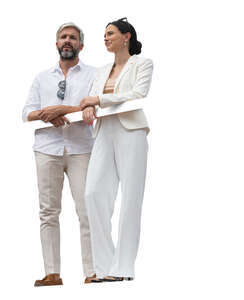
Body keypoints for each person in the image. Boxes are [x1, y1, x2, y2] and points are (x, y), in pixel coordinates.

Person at [22, 22, 97, 286]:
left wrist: (59, 109)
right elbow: (27, 113)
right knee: (48, 212)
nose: (68, 41)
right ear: (56, 44)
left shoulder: (94, 75)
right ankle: (52, 274)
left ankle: (93, 272)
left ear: (81, 45)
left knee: (88, 210)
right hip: (47, 150)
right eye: (63, 37)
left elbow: (91, 107)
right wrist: (47, 114)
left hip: (81, 149)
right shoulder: (42, 77)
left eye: (73, 38)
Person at [79, 17, 153, 282]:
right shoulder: (100, 71)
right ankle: (105, 266)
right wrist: (89, 106)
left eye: (110, 33)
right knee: (93, 193)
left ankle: (124, 268)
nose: (106, 38)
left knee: (131, 198)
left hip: (131, 130)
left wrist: (97, 99)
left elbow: (137, 93)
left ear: (126, 37)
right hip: (103, 131)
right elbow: (88, 99)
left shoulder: (142, 64)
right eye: (104, 34)